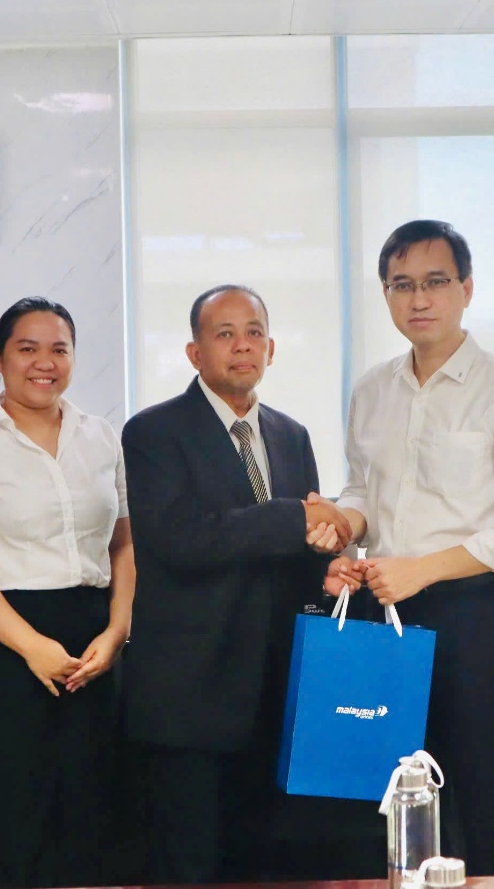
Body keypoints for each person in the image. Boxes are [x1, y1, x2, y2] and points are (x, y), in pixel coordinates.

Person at [328, 220, 494, 875]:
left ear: (466, 289)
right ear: (386, 294)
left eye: (435, 281)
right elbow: (363, 489)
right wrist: (342, 526)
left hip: (472, 611)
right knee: (386, 789)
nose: (419, 298)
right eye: (401, 285)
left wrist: (423, 570)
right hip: (383, 610)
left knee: (484, 792)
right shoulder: (372, 389)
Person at [120, 284, 352, 883]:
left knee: (265, 866)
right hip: (191, 698)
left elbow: (292, 553)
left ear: (271, 349)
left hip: (275, 695)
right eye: (224, 334)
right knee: (189, 865)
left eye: (253, 333)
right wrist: (293, 517)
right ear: (195, 353)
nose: (241, 346)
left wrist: (325, 565)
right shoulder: (152, 433)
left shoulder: (291, 434)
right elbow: (178, 540)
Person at [0, 297, 134, 889]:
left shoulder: (101, 437)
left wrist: (118, 629)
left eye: (59, 349)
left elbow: (123, 543)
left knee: (91, 816)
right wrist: (32, 646)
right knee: (8, 822)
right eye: (27, 348)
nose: (45, 362)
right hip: (3, 646)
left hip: (93, 644)